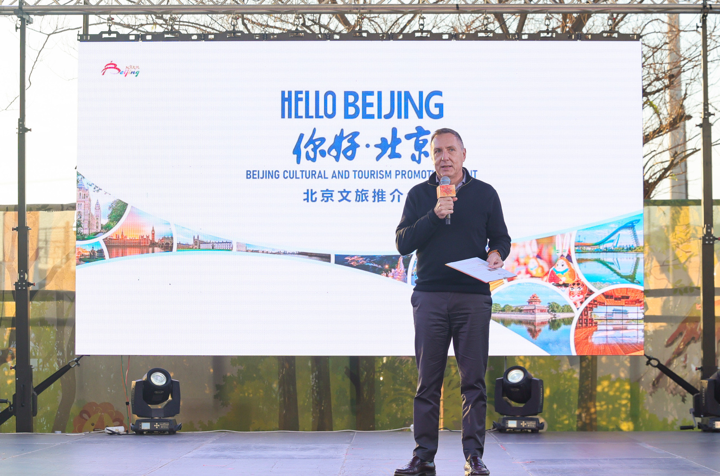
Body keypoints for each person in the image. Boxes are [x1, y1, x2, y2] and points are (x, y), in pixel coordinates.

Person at [394, 128, 511, 476]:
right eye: (437, 152)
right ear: (432, 157)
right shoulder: (419, 195)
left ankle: (474, 457)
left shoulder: (485, 193)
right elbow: (403, 242)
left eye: (450, 150)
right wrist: (435, 214)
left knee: (473, 381)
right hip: (430, 296)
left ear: (463, 154)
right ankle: (423, 456)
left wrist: (496, 253)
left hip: (473, 297)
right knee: (427, 382)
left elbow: (501, 237)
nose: (444, 157)